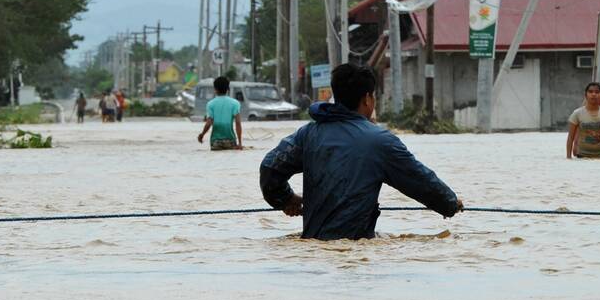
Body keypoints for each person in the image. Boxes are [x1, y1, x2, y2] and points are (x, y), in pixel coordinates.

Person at [259, 63, 462, 240]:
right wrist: (451, 203)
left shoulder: (308, 134)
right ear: (367, 99)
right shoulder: (381, 142)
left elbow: (270, 168)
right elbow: (419, 180)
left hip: (313, 247)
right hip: (357, 244)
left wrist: (285, 199)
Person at [567, 82, 600, 159]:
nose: (593, 94)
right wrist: (568, 157)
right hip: (582, 157)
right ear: (586, 95)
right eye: (590, 92)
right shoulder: (577, 113)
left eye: (597, 92)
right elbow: (570, 137)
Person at [198, 76, 242, 150]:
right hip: (230, 141)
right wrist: (240, 143)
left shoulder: (210, 104)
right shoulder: (235, 103)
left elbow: (208, 123)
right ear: (228, 89)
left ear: (215, 89)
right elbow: (238, 123)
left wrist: (202, 135)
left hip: (215, 141)